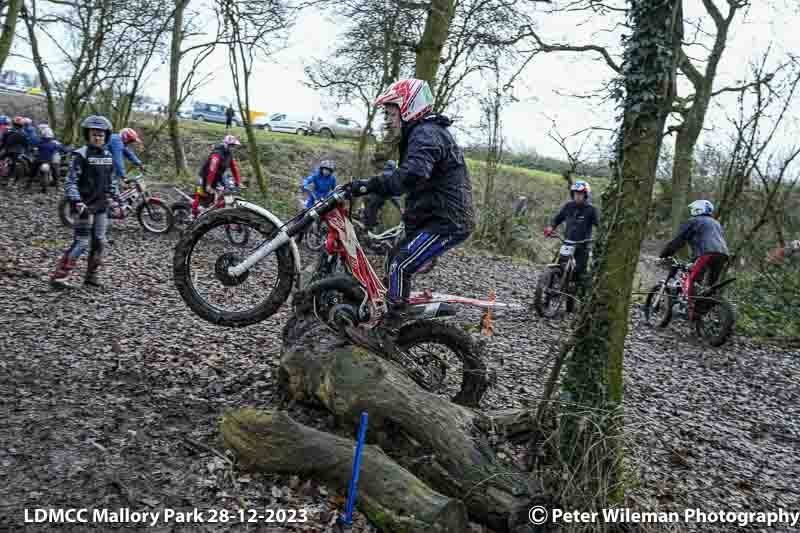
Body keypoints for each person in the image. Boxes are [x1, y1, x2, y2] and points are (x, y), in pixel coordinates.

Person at [348, 78, 475, 340]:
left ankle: (388, 330)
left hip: (448, 221)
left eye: (392, 112)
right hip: (437, 216)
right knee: (394, 256)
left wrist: (371, 185)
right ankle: (394, 312)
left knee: (399, 264)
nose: (389, 119)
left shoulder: (426, 133)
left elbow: (414, 174)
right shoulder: (423, 132)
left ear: (408, 109)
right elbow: (421, 187)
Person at [50, 115, 118, 288]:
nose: (97, 137)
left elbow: (112, 181)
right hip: (83, 207)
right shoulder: (79, 155)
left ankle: (91, 276)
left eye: (101, 135)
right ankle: (59, 277)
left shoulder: (108, 156)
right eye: (94, 134)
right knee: (81, 242)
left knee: (100, 241)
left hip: (101, 206)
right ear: (87, 135)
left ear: (106, 136)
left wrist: (116, 198)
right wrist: (77, 201)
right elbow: (70, 182)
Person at [658, 199, 730, 321]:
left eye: (693, 209)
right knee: (709, 286)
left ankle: (691, 312)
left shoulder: (694, 221)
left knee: (691, 280)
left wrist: (665, 253)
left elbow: (679, 240)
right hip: (723, 255)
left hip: (706, 253)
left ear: (698, 209)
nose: (691, 211)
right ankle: (705, 310)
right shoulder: (716, 223)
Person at [543, 180, 600, 292]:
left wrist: (600, 238)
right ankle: (550, 291)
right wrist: (551, 227)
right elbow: (557, 219)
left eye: (580, 194)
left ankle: (577, 296)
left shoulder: (591, 210)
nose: (577, 196)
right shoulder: (568, 206)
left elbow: (600, 225)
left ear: (586, 195)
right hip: (567, 243)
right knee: (559, 266)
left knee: (579, 274)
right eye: (575, 194)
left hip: (582, 245)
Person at [193, 135, 242, 216]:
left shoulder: (229, 154)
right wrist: (208, 185)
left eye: (234, 146)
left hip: (217, 177)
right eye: (231, 145)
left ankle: (216, 211)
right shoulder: (217, 154)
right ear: (226, 144)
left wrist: (237, 181)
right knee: (201, 194)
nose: (233, 148)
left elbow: (234, 168)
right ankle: (193, 213)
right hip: (205, 176)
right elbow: (212, 170)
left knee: (225, 193)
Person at [359, 159, 404, 230]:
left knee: (370, 208)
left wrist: (363, 185)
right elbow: (393, 196)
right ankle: (370, 223)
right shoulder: (390, 178)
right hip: (380, 199)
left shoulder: (381, 176)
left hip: (376, 198)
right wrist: (399, 207)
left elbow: (370, 183)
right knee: (371, 208)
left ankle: (368, 225)